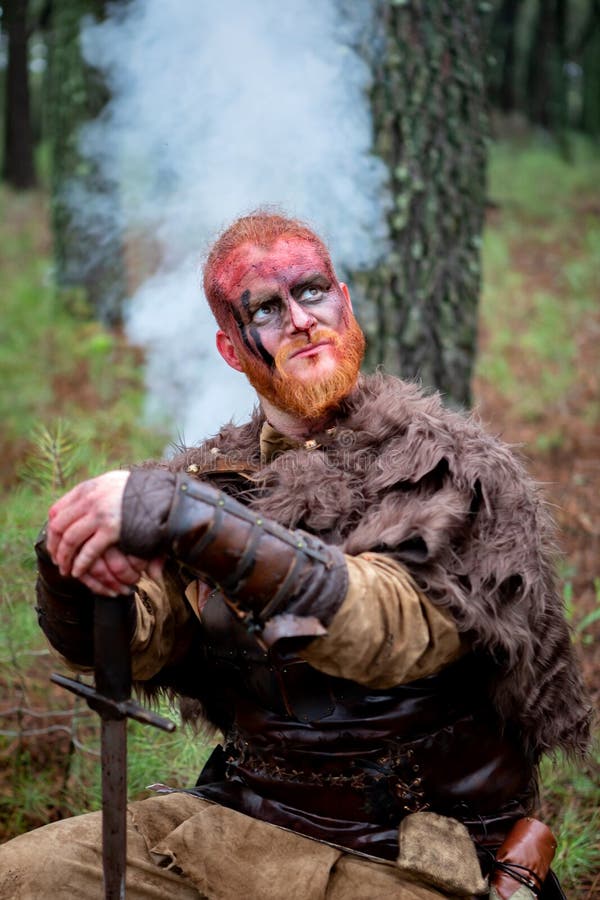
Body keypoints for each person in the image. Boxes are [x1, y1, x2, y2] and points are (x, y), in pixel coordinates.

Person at [0, 212, 591, 900]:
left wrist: (191, 520)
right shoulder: (213, 483)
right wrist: (74, 571)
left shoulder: (449, 468)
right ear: (231, 349)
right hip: (241, 825)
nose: (301, 319)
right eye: (266, 308)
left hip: (407, 855)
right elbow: (139, 644)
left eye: (311, 292)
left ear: (344, 300)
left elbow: (387, 627)